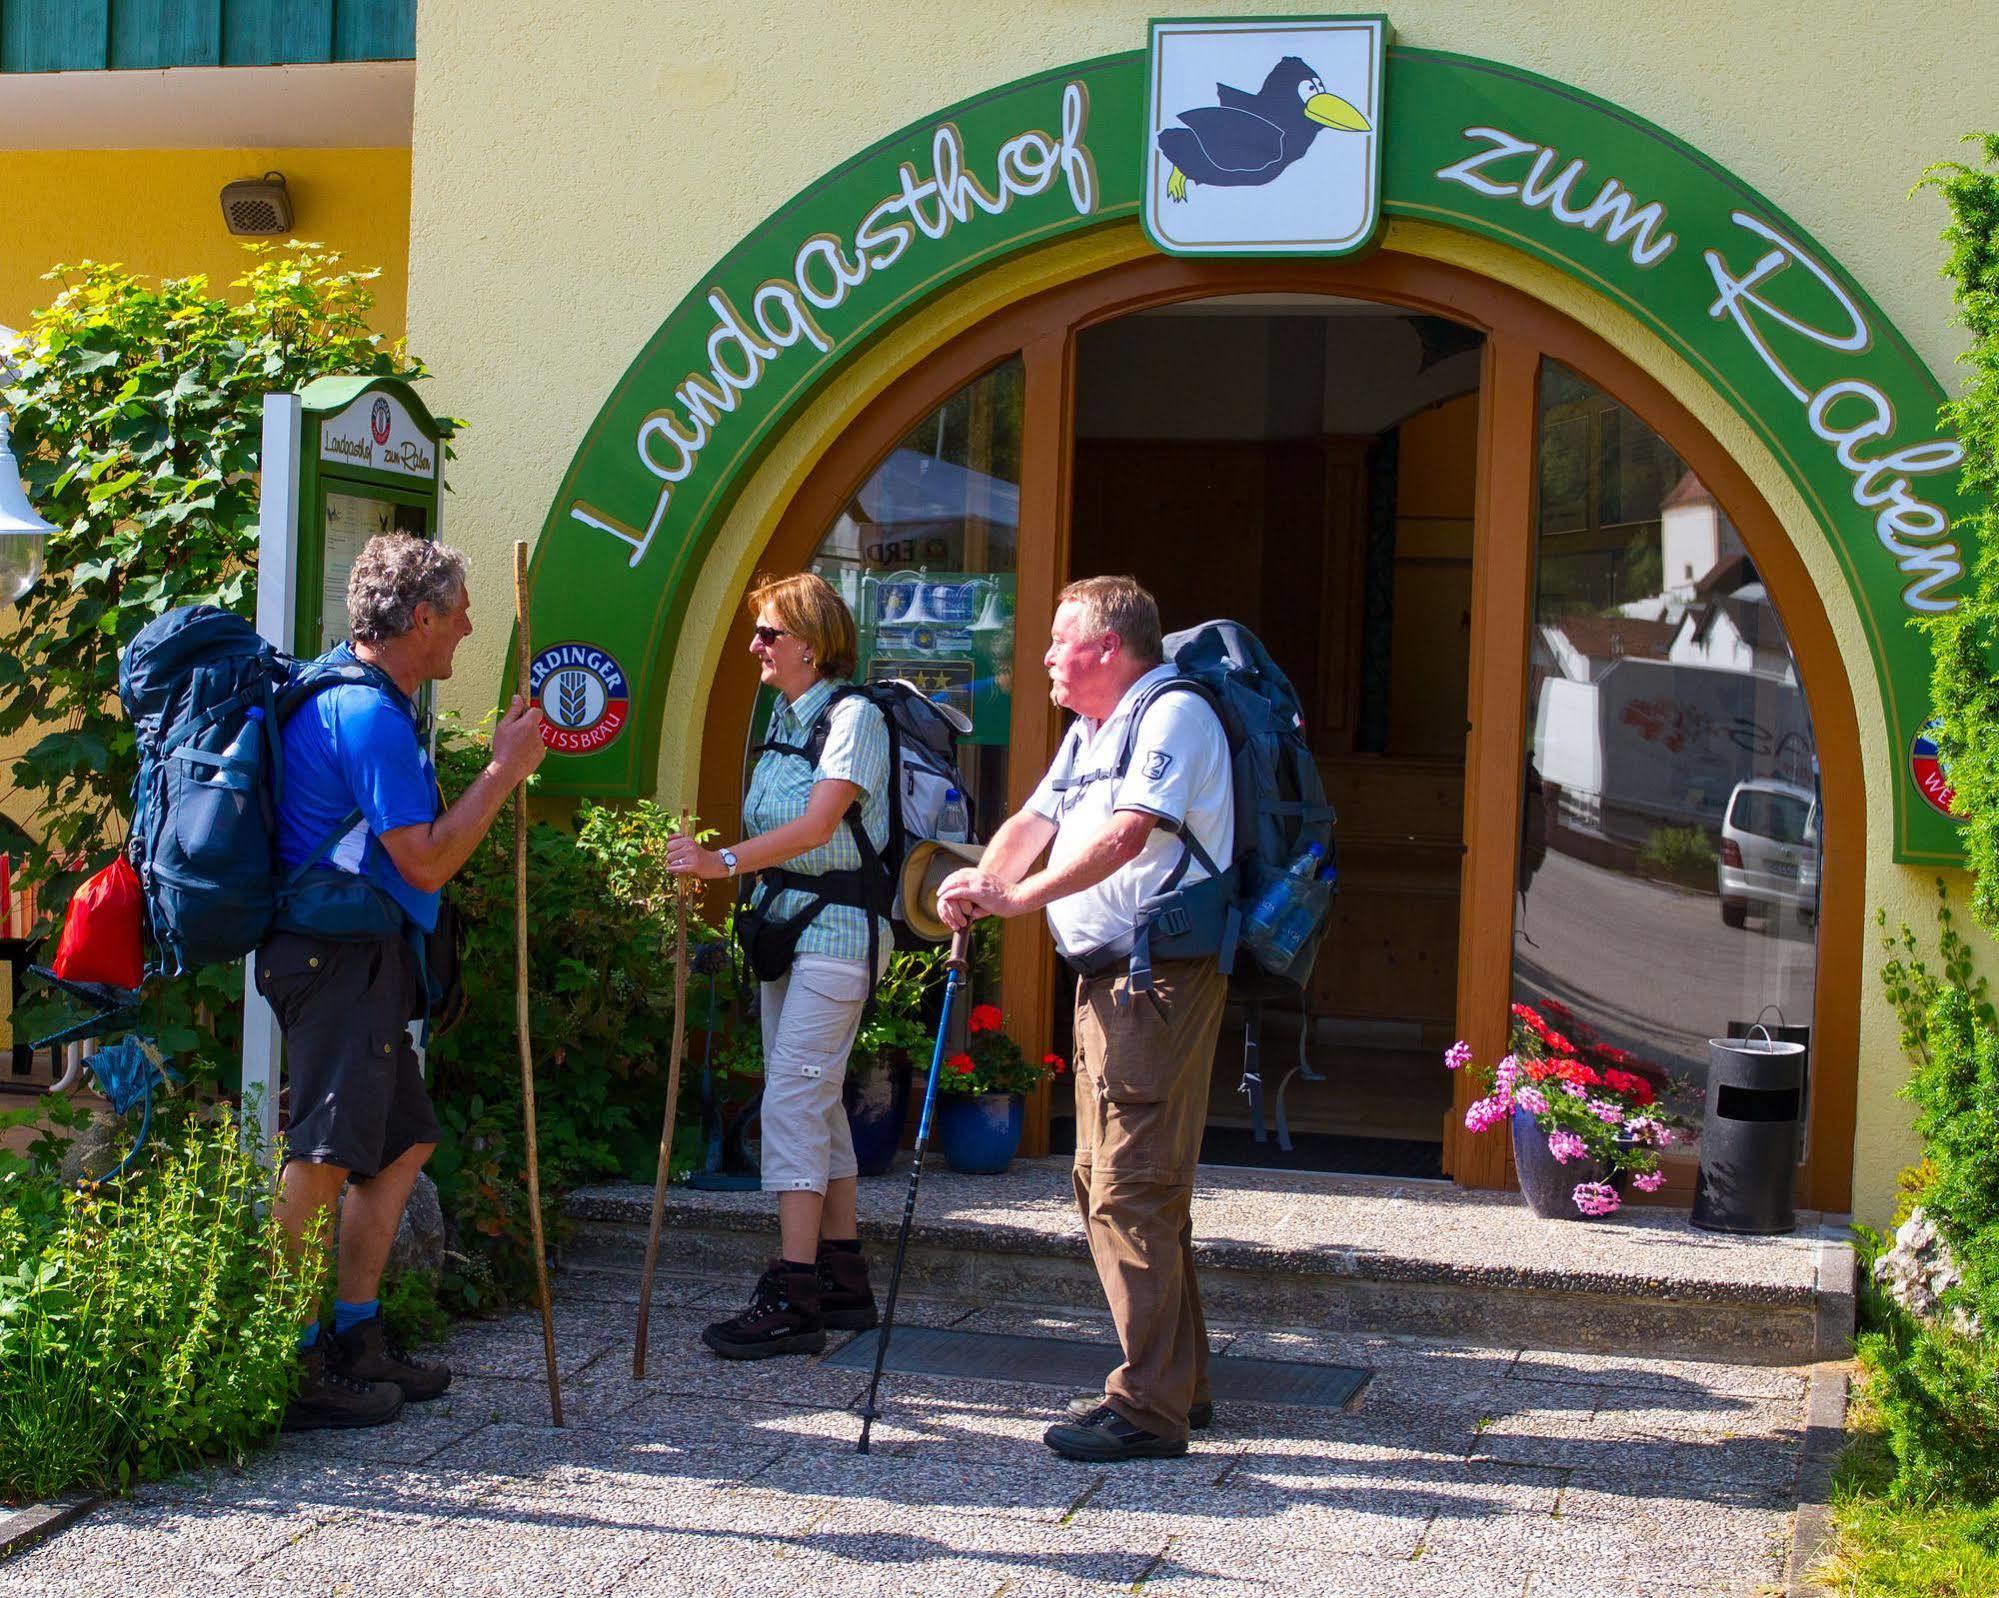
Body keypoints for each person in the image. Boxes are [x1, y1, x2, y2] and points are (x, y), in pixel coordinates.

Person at [936, 575, 1234, 1462]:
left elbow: (1127, 836)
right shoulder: (1092, 732)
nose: (1045, 659)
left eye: (1059, 641)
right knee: (1102, 1182)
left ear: (1106, 646)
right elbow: (1033, 820)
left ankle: (1147, 1409)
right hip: (1110, 982)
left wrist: (1018, 899)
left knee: (1131, 1187)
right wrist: (985, 884)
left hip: (1158, 978)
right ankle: (1182, 1384)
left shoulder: (1172, 714)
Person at [260, 533, 547, 1430]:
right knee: (323, 1151)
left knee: (398, 1142)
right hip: (333, 956)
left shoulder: (371, 699)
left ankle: (355, 1335)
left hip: (356, 955)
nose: (468, 626)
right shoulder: (373, 717)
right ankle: (285, 1357)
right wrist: (503, 772)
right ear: (419, 618)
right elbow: (423, 863)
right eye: (458, 611)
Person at [665, 571, 891, 1358]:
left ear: (811, 643)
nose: (755, 645)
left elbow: (817, 824)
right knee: (817, 1101)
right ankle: (842, 1280)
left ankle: (793, 1292)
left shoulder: (854, 716)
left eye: (768, 633)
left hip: (838, 935)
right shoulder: (781, 717)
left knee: (793, 1101)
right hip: (788, 930)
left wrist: (720, 861)